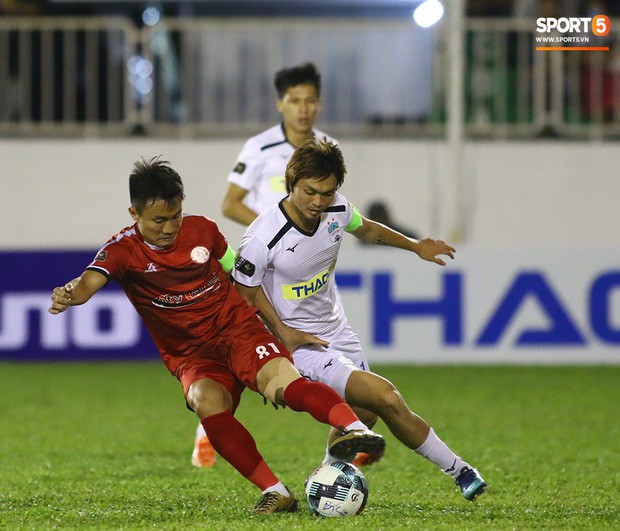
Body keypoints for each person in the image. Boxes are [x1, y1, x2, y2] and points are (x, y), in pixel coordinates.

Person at [47, 156, 386, 514]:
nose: (169, 227)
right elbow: (88, 283)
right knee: (205, 402)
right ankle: (277, 491)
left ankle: (354, 429)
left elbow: (240, 275)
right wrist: (69, 294)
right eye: (159, 220)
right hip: (191, 354)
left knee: (283, 385)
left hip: (236, 328)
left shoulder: (203, 230)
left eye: (175, 215)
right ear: (135, 215)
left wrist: (274, 328)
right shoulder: (122, 251)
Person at [231, 139, 488, 501]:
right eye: (310, 192)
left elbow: (367, 229)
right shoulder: (262, 237)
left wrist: (416, 246)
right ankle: (461, 470)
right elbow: (244, 295)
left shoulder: (336, 208)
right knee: (386, 396)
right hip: (301, 344)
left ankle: (322, 483)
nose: (319, 201)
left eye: (327, 191)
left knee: (365, 414)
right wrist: (281, 338)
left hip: (337, 329)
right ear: (291, 183)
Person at [192, 61, 339, 467]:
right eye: (294, 100)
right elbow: (230, 203)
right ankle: (210, 426)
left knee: (318, 352)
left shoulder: (327, 148)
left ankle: (346, 432)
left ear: (319, 104)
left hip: (300, 273)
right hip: (261, 266)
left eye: (310, 100)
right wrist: (270, 230)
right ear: (280, 104)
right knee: (240, 348)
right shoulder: (259, 148)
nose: (303, 108)